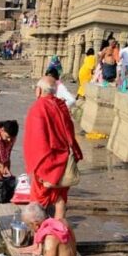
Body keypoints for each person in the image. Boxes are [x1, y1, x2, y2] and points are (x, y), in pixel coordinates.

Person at [24, 75, 83, 220]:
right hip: (64, 159)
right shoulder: (61, 105)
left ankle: (39, 230)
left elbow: (37, 140)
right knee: (60, 197)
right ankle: (59, 228)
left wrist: (38, 166)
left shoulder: (38, 108)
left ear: (39, 90)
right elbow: (69, 133)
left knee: (38, 198)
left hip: (47, 161)